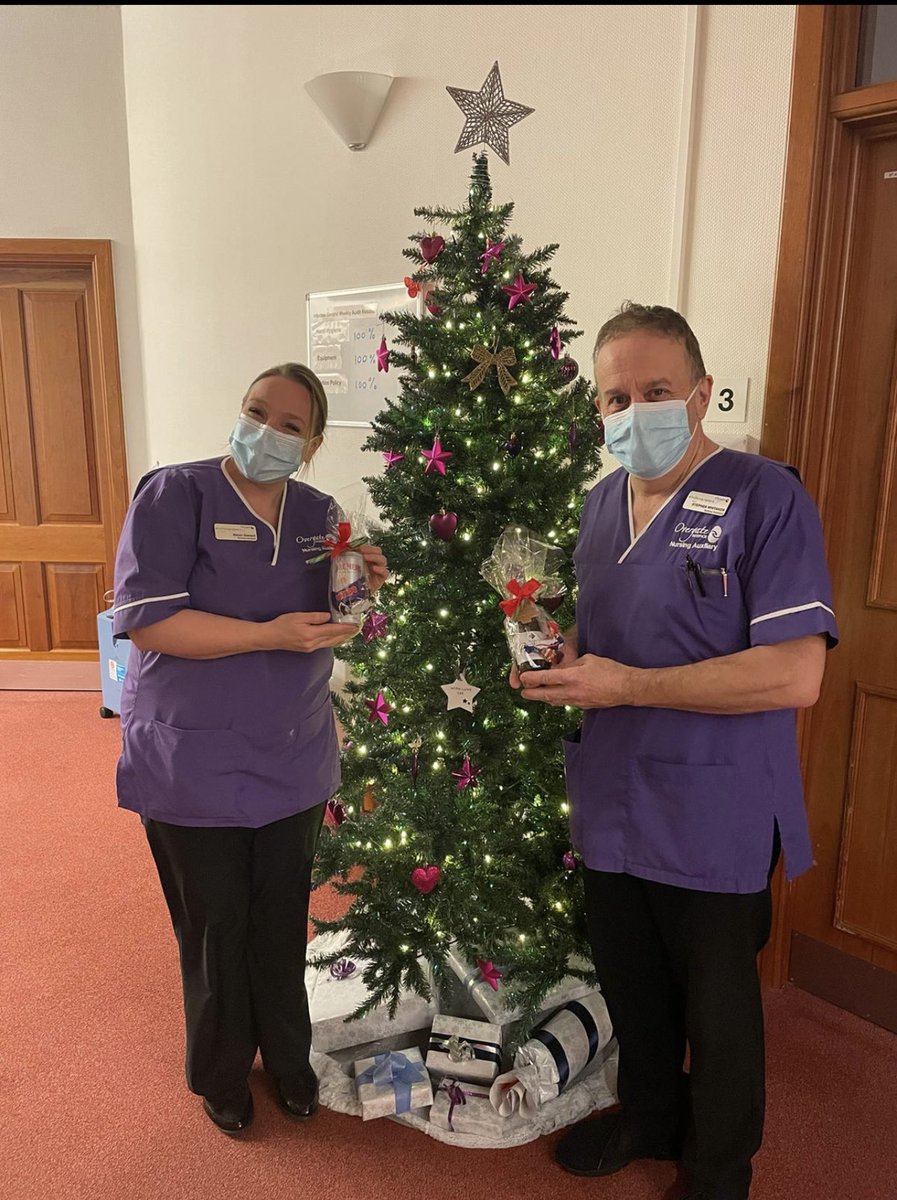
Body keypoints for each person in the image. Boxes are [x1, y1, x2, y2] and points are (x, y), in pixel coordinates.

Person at [514, 303, 837, 1200]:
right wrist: (566, 657)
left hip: (714, 802)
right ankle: (650, 1115)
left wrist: (630, 687)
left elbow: (793, 673)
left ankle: (719, 1164)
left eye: (655, 390)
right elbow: (613, 622)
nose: (634, 410)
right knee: (631, 980)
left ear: (698, 394)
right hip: (613, 791)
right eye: (615, 396)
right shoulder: (595, 504)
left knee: (718, 1005)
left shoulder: (764, 495)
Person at [111, 362, 388, 1135]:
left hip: (291, 753)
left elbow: (346, 617)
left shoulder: (319, 513)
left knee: (277, 918)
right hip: (191, 756)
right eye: (257, 412)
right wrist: (267, 635)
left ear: (312, 444)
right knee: (214, 925)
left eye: (290, 426)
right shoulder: (175, 494)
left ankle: (290, 1061)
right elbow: (149, 622)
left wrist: (366, 590)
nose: (267, 433)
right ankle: (221, 1073)